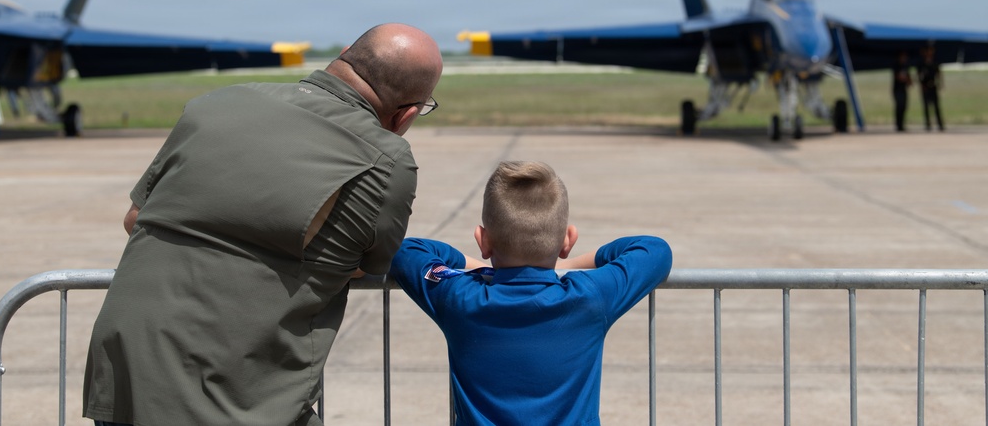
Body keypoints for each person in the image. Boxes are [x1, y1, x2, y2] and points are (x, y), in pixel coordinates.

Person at [83, 23, 443, 426]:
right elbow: (364, 265)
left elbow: (136, 218)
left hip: (125, 366)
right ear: (407, 114)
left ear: (344, 54)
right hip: (235, 390)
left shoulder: (216, 103)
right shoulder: (387, 159)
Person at [389, 160, 673, 426]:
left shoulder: (461, 299)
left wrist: (481, 268)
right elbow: (654, 250)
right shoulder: (589, 297)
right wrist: (567, 265)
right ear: (568, 240)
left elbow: (406, 251)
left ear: (483, 241)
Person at [917, 46, 945, 131]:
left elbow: (939, 73)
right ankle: (928, 124)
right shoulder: (921, 64)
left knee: (936, 106)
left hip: (933, 86)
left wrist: (940, 83)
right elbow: (919, 75)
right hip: (925, 87)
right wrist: (921, 85)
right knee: (926, 106)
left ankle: (940, 124)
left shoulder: (934, 63)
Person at [892, 50, 912, 132]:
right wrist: (905, 79)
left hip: (903, 90)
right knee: (899, 106)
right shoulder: (897, 66)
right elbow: (898, 77)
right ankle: (898, 125)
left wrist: (908, 80)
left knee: (904, 107)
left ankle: (902, 124)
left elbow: (909, 79)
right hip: (897, 90)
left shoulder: (906, 67)